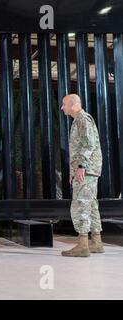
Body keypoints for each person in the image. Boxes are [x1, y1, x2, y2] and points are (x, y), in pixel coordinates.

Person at [61, 94, 104, 257]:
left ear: (72, 105)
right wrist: (74, 171)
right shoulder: (79, 120)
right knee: (91, 204)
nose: (62, 108)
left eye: (64, 104)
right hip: (88, 170)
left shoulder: (82, 119)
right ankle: (96, 242)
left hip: (86, 170)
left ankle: (83, 245)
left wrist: (81, 166)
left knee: (80, 204)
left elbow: (89, 144)